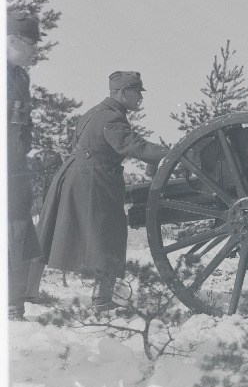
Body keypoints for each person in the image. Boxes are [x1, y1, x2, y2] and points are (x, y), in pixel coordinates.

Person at [35, 71, 169, 312]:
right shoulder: (112, 119)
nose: (140, 97)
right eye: (136, 91)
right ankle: (102, 299)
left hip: (82, 175)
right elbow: (134, 146)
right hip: (94, 180)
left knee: (98, 236)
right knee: (107, 235)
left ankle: (32, 292)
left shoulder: (94, 112)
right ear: (120, 92)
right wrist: (171, 153)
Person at [7, 12, 44, 320]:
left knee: (19, 232)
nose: (35, 51)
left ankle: (14, 303)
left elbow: (23, 124)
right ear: (12, 40)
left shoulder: (20, 77)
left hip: (15, 168)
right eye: (31, 44)